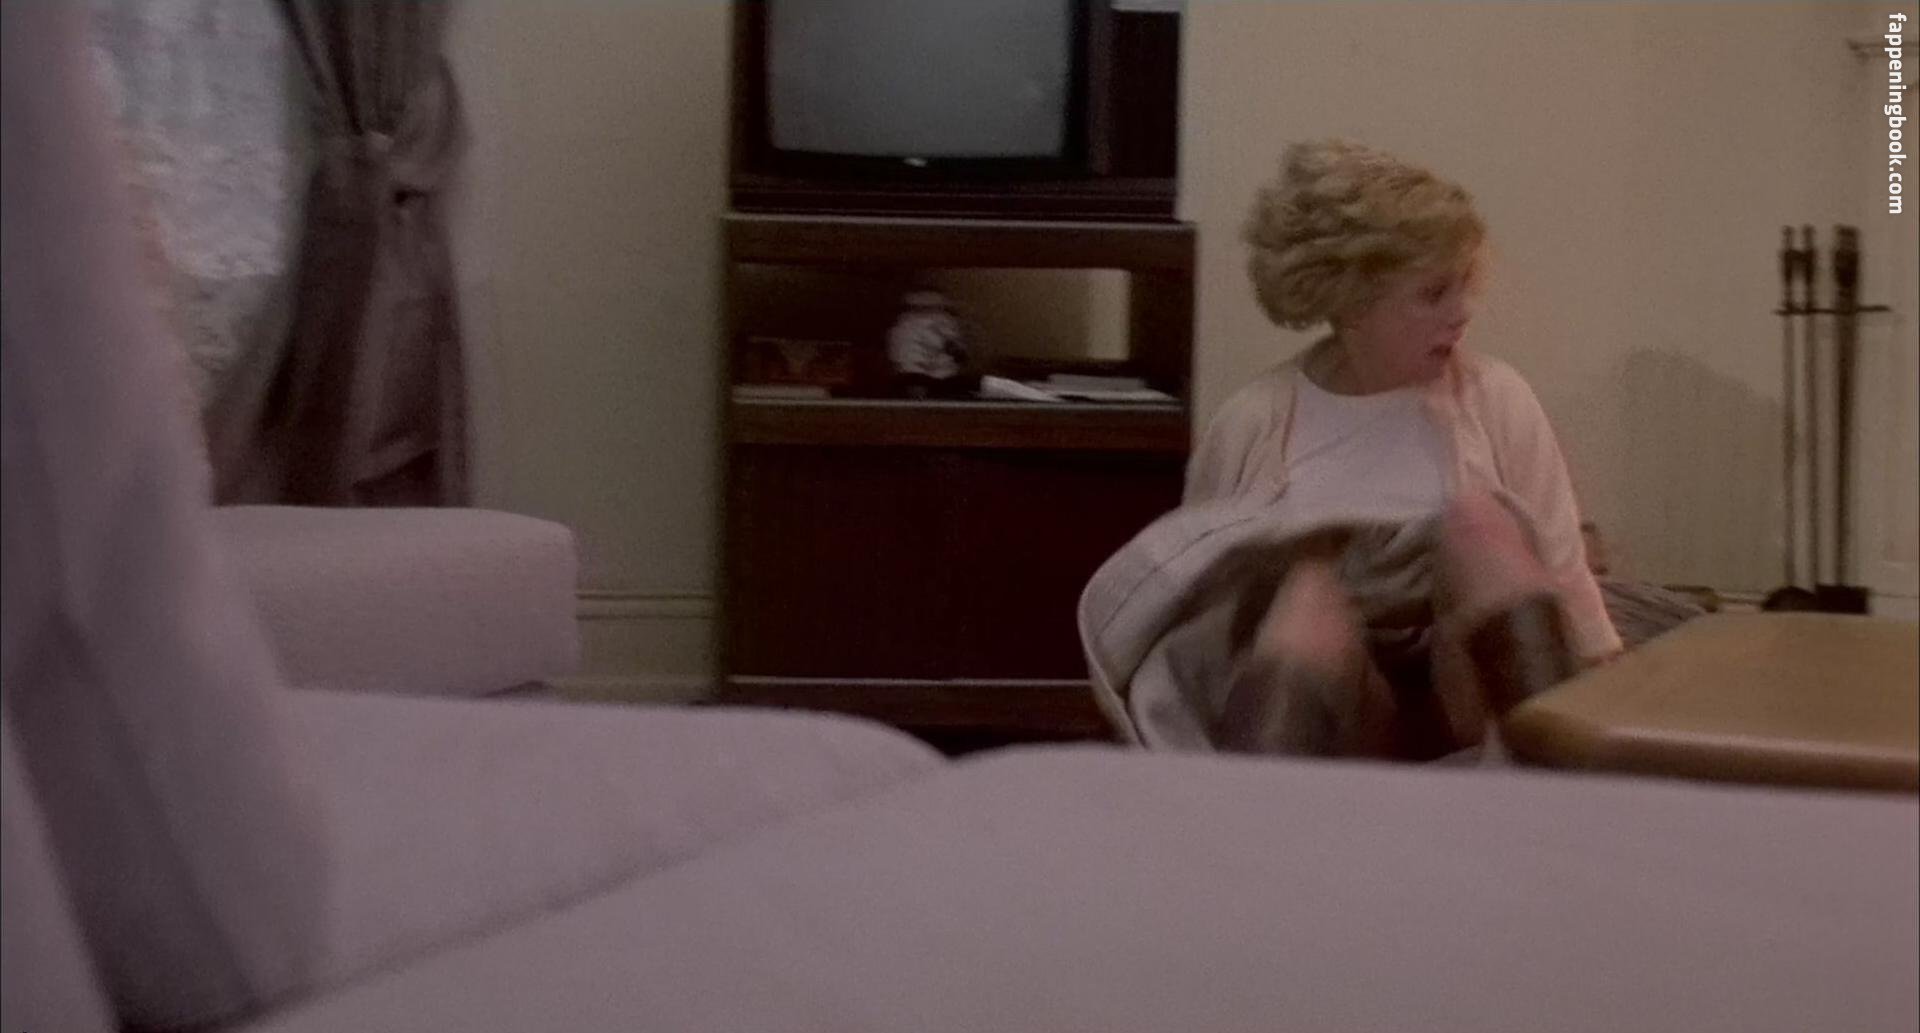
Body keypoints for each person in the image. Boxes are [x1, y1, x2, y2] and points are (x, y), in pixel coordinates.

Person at [1179, 139, 1621, 758]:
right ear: (1352, 304)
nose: (1462, 313)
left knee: (1478, 522)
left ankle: (1560, 786)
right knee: (1306, 597)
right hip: (1341, 706)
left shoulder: (1497, 398)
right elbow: (1200, 628)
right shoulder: (1252, 423)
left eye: (1463, 285)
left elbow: (1566, 580)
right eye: (1433, 294)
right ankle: (1250, 808)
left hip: (1467, 695)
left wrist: (1610, 715)